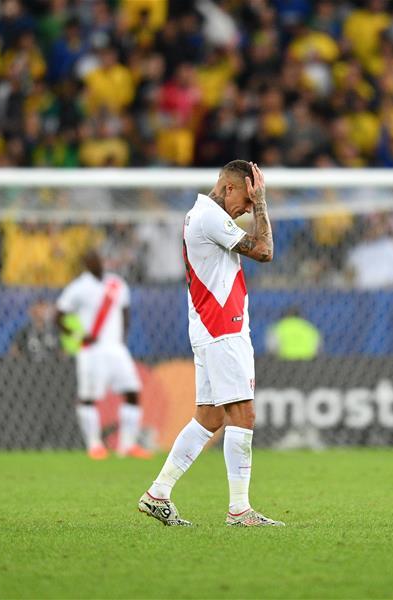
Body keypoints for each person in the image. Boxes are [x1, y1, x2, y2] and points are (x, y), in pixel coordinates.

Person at [138, 160, 284, 527]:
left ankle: (158, 493)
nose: (248, 211)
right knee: (242, 414)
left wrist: (255, 204)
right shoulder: (209, 217)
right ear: (230, 188)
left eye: (253, 206)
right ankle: (239, 510)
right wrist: (264, 200)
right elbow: (265, 251)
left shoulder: (201, 215)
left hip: (210, 327)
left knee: (210, 416)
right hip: (223, 327)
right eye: (247, 202)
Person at [55, 249, 149, 460]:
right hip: (91, 351)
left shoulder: (117, 284)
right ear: (86, 263)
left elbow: (125, 312)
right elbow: (59, 316)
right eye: (92, 259)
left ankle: (127, 445)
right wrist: (79, 335)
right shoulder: (78, 287)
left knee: (132, 392)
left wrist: (122, 339)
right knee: (88, 398)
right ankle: (94, 445)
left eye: (99, 258)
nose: (97, 262)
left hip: (116, 349)